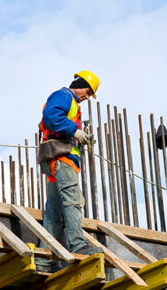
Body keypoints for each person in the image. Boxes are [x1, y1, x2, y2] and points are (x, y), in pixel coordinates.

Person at [36, 71, 103, 272]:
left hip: (56, 160)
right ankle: (78, 245)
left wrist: (79, 137)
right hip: (62, 159)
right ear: (80, 84)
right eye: (88, 92)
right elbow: (50, 116)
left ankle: (43, 260)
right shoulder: (65, 96)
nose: (88, 97)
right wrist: (74, 131)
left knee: (54, 214)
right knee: (74, 200)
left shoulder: (72, 104)